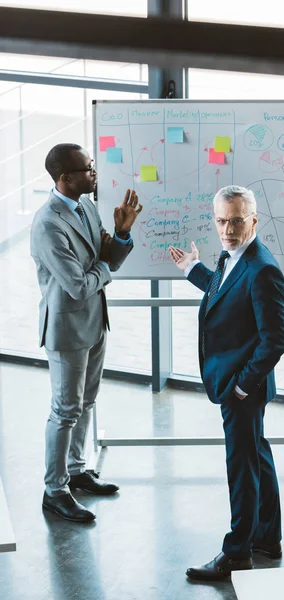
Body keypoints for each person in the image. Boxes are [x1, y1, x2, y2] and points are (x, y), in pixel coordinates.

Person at [169, 185, 284, 580]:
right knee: (256, 456)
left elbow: (276, 340)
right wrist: (193, 269)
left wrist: (241, 386)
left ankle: (237, 552)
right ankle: (267, 537)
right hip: (240, 383)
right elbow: (225, 294)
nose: (228, 229)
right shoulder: (233, 257)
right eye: (221, 221)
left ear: (253, 220)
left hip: (243, 387)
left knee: (241, 467)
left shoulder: (262, 267)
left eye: (236, 221)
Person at [31, 143, 142, 523]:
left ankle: (77, 470)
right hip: (67, 328)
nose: (94, 172)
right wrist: (104, 271)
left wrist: (122, 233)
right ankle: (54, 490)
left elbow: (106, 255)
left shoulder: (87, 207)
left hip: (95, 321)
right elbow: (78, 285)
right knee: (64, 410)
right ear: (65, 178)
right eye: (88, 168)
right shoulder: (48, 225)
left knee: (86, 401)